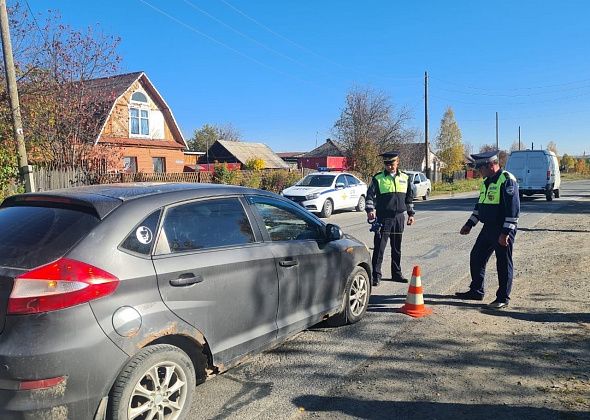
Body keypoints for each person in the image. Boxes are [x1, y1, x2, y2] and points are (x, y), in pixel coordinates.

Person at [455, 150, 520, 309]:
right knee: (476, 256)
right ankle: (476, 291)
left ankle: (503, 298)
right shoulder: (486, 181)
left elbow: (513, 210)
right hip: (488, 228)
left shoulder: (507, 180)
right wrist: (469, 224)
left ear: (491, 165)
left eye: (480, 168)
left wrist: (505, 233)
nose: (479, 171)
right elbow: (480, 206)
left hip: (502, 228)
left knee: (503, 263)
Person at [365, 151, 415, 287]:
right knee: (379, 248)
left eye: (392, 164)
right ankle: (376, 275)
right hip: (383, 217)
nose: (389, 167)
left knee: (396, 248)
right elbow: (369, 195)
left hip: (399, 217)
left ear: (397, 162)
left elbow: (409, 198)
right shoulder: (378, 178)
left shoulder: (405, 178)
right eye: (387, 164)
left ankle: (396, 274)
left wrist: (411, 214)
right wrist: (370, 210)